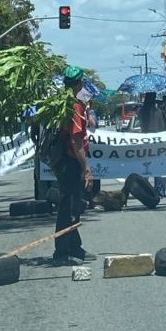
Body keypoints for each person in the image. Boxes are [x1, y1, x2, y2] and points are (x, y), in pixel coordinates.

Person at [52, 65, 96, 266]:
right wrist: (85, 167)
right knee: (68, 208)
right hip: (70, 162)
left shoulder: (65, 103)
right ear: (79, 83)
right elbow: (76, 141)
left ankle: (75, 246)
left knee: (74, 206)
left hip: (64, 160)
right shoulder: (74, 107)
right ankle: (62, 251)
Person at [138, 91, 165, 197]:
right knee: (158, 167)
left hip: (145, 141)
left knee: (145, 167)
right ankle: (159, 191)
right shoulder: (158, 111)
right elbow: (162, 126)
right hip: (156, 141)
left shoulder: (141, 111)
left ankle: (145, 190)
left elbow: (141, 124)